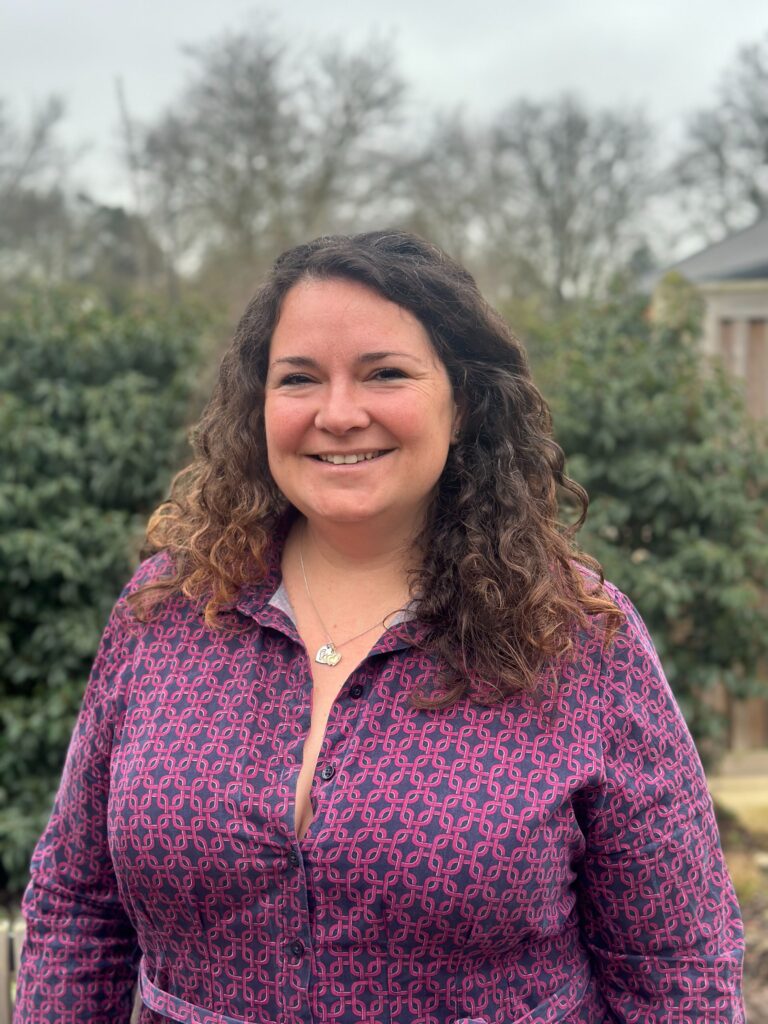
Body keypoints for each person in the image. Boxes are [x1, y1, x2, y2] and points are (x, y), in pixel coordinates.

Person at [15, 230, 745, 1024]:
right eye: (299, 378)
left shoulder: (575, 637)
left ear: (463, 402)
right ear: (258, 405)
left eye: (385, 373)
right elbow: (77, 907)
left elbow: (677, 965)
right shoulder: (170, 608)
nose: (338, 414)